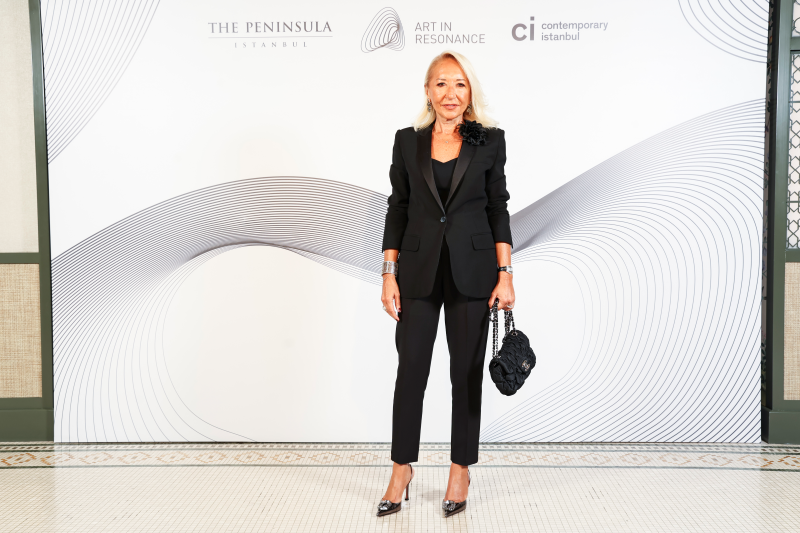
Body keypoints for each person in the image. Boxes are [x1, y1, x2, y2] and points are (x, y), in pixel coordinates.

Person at [376, 50, 515, 518]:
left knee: (466, 375)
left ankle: (460, 469)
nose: (450, 93)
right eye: (441, 83)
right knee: (410, 371)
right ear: (427, 90)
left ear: (469, 91)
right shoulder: (407, 141)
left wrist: (506, 274)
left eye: (459, 84)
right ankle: (401, 468)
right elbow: (398, 207)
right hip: (417, 271)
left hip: (472, 272)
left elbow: (498, 207)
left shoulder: (490, 141)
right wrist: (388, 273)